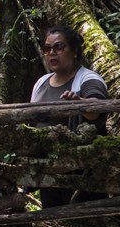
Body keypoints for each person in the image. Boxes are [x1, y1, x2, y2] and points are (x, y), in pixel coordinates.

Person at [30, 26, 109, 208]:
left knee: (85, 219)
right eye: (47, 48)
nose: (52, 53)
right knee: (53, 219)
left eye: (58, 47)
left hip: (81, 171)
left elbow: (97, 108)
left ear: (74, 51)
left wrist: (79, 103)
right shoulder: (41, 83)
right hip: (48, 170)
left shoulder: (88, 79)